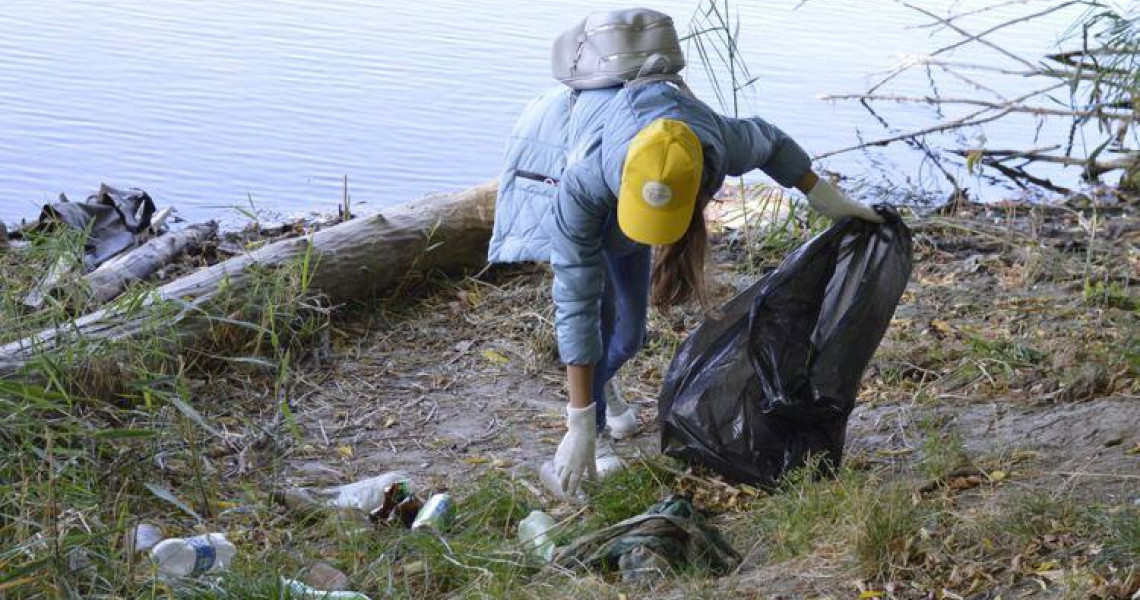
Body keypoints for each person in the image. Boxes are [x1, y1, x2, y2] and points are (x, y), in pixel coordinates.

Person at [487, 15, 885, 497]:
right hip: (562, 159)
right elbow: (574, 299)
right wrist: (577, 426)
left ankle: (601, 387)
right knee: (599, 313)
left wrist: (825, 196)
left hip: (622, 209)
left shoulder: (713, 140)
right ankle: (593, 417)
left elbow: (773, 143)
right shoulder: (585, 178)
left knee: (629, 335)